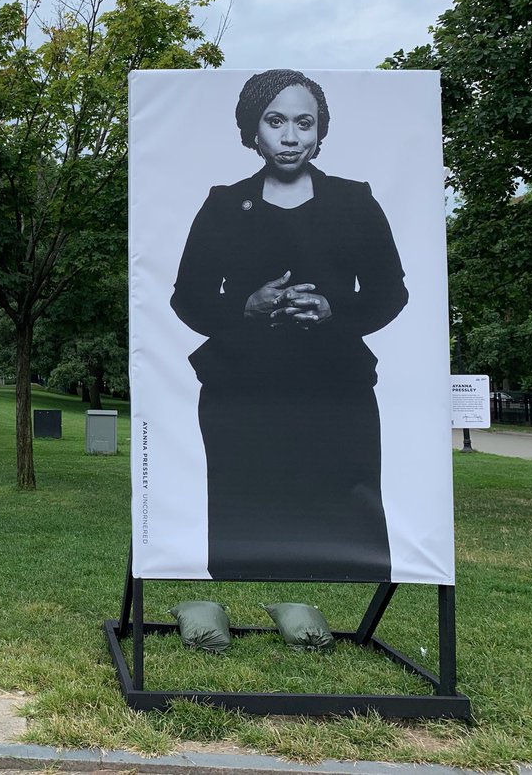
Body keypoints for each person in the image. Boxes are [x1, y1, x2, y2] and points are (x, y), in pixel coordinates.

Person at [169, 69, 408, 582]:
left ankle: (340, 597)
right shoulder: (223, 205)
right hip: (241, 389)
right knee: (245, 504)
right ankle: (235, 593)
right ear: (252, 129)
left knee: (342, 509)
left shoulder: (354, 201)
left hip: (336, 388)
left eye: (305, 122)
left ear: (321, 131)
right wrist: (245, 307)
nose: (291, 136)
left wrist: (333, 312)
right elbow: (185, 298)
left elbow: (392, 293)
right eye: (275, 121)